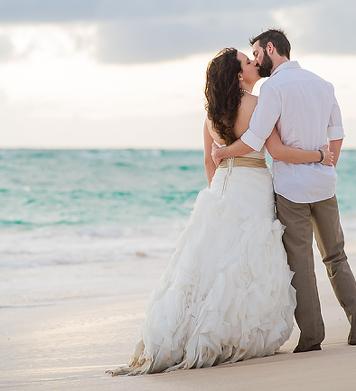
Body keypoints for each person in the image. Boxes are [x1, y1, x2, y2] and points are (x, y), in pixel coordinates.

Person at [109, 48, 335, 375]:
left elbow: (208, 160)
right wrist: (317, 155)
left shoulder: (210, 115)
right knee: (248, 256)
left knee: (209, 258)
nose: (254, 63)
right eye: (247, 62)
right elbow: (272, 149)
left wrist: (219, 195)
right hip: (253, 182)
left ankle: (186, 330)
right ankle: (234, 332)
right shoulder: (257, 105)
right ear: (239, 75)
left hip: (222, 187)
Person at [212, 29, 356, 352]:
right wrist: (326, 166)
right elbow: (338, 135)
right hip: (324, 186)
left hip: (291, 189)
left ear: (270, 48)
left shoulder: (273, 88)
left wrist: (223, 152)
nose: (256, 60)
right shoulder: (323, 84)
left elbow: (256, 141)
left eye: (257, 54)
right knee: (336, 256)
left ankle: (312, 338)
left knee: (302, 264)